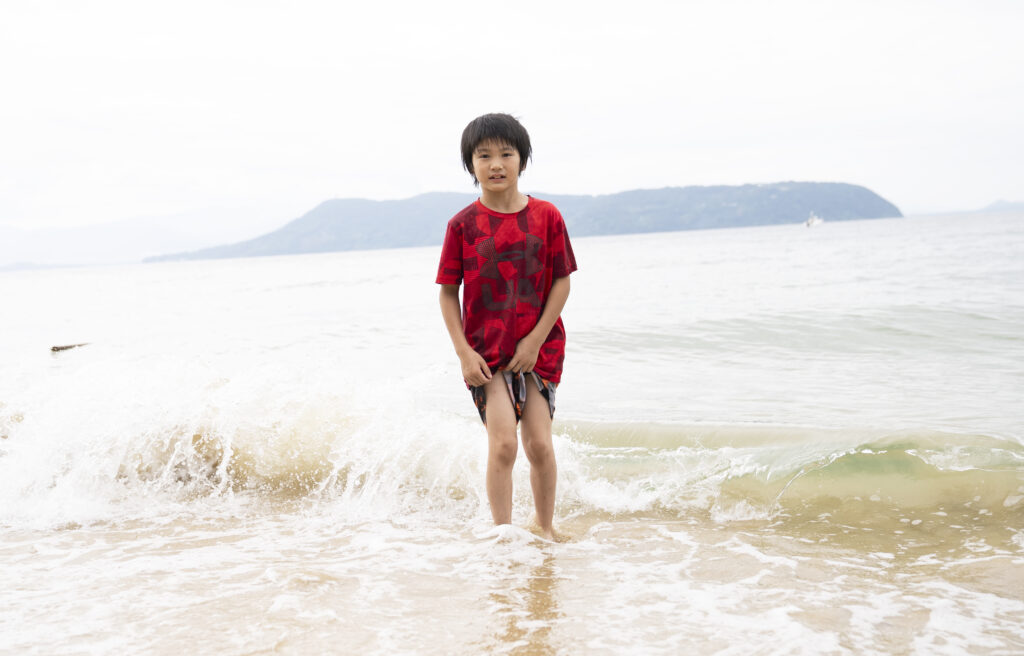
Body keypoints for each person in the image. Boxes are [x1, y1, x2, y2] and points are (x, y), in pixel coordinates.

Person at [436, 113, 577, 540]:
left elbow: (562, 281)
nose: (496, 164)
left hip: (539, 348)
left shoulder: (547, 216)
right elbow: (448, 293)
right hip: (485, 352)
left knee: (539, 445)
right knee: (503, 445)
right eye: (484, 156)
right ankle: (503, 538)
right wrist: (464, 353)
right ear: (470, 164)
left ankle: (545, 530)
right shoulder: (462, 225)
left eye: (506, 154)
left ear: (522, 160)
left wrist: (534, 341)